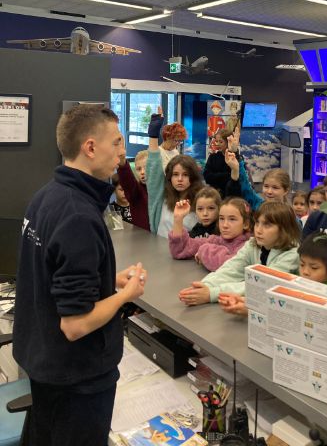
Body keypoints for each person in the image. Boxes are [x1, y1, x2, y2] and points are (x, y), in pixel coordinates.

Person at [12, 104, 147, 446]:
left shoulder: (46, 196)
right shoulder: (78, 216)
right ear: (90, 147)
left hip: (44, 361)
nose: (122, 152)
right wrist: (126, 294)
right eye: (116, 142)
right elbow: (76, 325)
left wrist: (108, 279)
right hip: (76, 379)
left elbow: (52, 271)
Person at [178, 201, 300, 306]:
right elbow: (231, 269)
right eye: (257, 223)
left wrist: (212, 293)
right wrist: (204, 286)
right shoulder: (252, 244)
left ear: (284, 229)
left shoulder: (292, 255)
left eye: (267, 225)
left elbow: (260, 286)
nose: (258, 230)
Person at [219, 231, 327, 316]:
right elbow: (278, 303)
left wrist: (251, 310)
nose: (305, 272)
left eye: (314, 268)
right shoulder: (296, 283)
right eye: (302, 264)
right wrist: (246, 301)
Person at [169, 197, 251, 271]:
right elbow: (181, 250)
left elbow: (230, 265)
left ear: (246, 224)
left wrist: (203, 251)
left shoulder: (248, 247)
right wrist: (178, 219)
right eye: (221, 218)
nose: (225, 225)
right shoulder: (215, 240)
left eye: (232, 219)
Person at [117, 148, 149, 229]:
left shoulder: (162, 190)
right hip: (142, 235)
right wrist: (122, 163)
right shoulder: (137, 192)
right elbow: (128, 181)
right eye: (139, 169)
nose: (142, 172)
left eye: (146, 167)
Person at [203, 128, 235, 197]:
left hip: (231, 195)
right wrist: (226, 175)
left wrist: (216, 176)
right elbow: (207, 176)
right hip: (214, 194)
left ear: (228, 142)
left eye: (221, 142)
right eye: (216, 141)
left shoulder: (235, 158)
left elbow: (235, 179)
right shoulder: (212, 157)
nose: (217, 144)